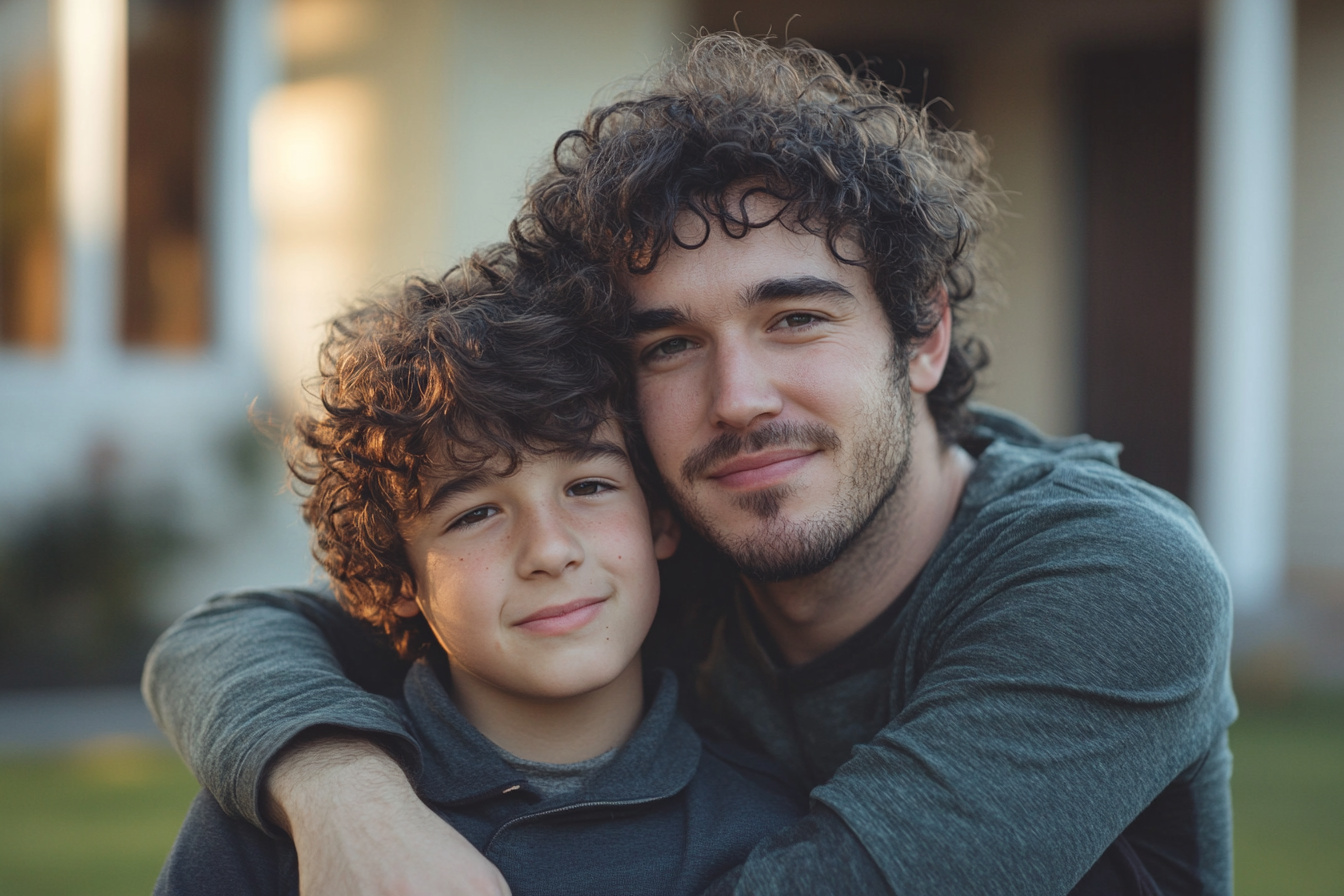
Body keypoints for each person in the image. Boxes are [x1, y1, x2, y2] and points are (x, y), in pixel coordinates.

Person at [144, 33, 1235, 895]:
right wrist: (342, 797)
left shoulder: (1112, 573)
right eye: (670, 344)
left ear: (923, 335)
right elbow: (235, 638)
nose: (739, 398)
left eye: (796, 318)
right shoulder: (674, 549)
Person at [153, 249, 807, 896]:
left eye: (588, 486)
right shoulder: (281, 824)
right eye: (476, 515)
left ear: (660, 520)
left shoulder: (765, 829)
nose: (549, 551)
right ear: (399, 581)